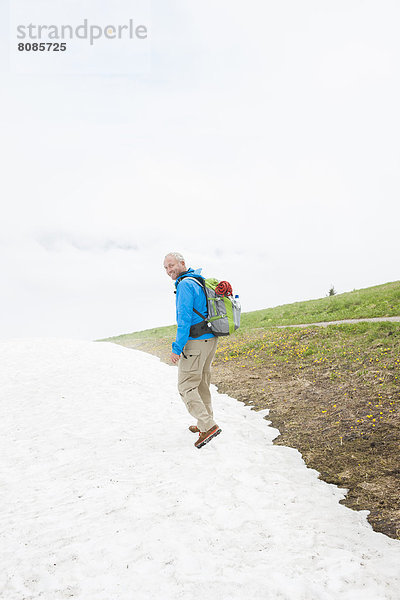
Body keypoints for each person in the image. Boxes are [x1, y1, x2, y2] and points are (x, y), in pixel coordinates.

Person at [163, 252, 221, 449]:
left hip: (195, 342)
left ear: (182, 263)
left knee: (186, 386)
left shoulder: (185, 285)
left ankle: (208, 426)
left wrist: (176, 349)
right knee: (202, 383)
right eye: (166, 268)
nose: (169, 270)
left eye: (171, 265)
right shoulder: (197, 280)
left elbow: (184, 320)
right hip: (210, 340)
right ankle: (204, 421)